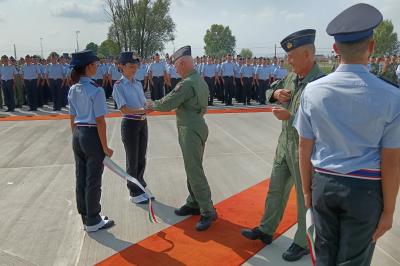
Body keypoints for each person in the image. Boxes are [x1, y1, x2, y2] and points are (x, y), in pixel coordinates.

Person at [294, 4, 400, 265]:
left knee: (324, 257)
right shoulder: (392, 96)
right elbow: (392, 161)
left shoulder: (313, 91)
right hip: (365, 190)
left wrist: (307, 192)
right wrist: (388, 211)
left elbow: (303, 147)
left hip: (323, 184)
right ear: (372, 47)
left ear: (335, 49)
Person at [241, 29, 325, 262]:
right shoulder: (291, 77)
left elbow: (323, 120)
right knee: (275, 189)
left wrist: (290, 117)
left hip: (305, 150)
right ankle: (267, 229)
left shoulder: (320, 83)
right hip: (284, 145)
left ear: (307, 54)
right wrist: (276, 92)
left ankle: (302, 241)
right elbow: (269, 90)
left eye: (292, 56)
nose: (287, 60)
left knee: (303, 197)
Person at [146, 46, 217, 231]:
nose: (175, 70)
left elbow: (167, 103)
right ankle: (193, 202)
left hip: (190, 129)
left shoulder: (186, 84)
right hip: (197, 125)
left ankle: (208, 210)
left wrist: (151, 104)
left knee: (194, 170)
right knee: (192, 166)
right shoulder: (199, 80)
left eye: (177, 66)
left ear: (184, 63)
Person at [68, 50, 115, 233]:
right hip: (91, 134)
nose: (97, 67)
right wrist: (105, 147)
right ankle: (94, 219)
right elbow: (100, 122)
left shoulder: (73, 88)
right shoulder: (96, 90)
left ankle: (86, 215)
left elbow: (72, 116)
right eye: (95, 64)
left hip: (78, 133)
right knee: (93, 179)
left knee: (81, 177)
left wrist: (75, 136)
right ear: (88, 67)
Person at [112, 52, 152, 204]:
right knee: (132, 159)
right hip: (130, 124)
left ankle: (140, 185)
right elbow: (124, 109)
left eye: (136, 66)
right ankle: (134, 192)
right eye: (130, 66)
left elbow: (143, 102)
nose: (134, 69)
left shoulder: (138, 83)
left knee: (142, 157)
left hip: (142, 122)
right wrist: (143, 110)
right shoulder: (118, 86)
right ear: (121, 67)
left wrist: (149, 105)